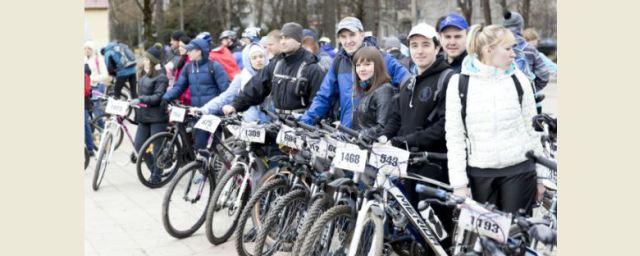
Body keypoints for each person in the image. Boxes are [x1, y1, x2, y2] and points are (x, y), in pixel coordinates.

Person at [445, 24, 545, 216]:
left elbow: (534, 131)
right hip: (480, 175)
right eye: (508, 48)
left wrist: (541, 178)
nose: (513, 54)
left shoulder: (519, 80)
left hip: (520, 171)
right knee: (485, 243)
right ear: (488, 50)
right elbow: (455, 137)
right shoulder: (459, 83)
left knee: (515, 240)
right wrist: (459, 185)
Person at [382, 23, 455, 245]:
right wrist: (383, 138)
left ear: (437, 48)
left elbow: (443, 126)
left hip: (434, 167)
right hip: (407, 164)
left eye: (425, 45)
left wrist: (405, 141)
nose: (419, 51)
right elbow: (395, 118)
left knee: (438, 233)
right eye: (414, 45)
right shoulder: (409, 81)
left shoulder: (449, 79)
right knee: (418, 229)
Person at [300, 16, 411, 128]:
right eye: (343, 37)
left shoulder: (380, 57)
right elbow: (324, 97)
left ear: (362, 35)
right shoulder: (338, 62)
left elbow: (408, 83)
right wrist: (305, 122)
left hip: (375, 137)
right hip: (347, 133)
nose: (348, 41)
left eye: (352, 35)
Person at [222, 22, 326, 116]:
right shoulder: (276, 64)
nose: (283, 42)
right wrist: (235, 105)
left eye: (288, 38)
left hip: (302, 128)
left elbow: (318, 103)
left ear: (299, 41)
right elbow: (256, 87)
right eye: (282, 38)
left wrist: (307, 120)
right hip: (278, 123)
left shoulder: (312, 68)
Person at [161, 38, 231, 151]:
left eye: (191, 50)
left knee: (216, 148)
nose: (188, 52)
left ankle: (218, 167)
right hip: (197, 113)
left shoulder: (214, 66)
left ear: (199, 51)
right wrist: (165, 97)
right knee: (200, 145)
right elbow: (179, 87)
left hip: (214, 113)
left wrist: (223, 108)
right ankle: (203, 167)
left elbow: (226, 89)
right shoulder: (188, 67)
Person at [200, 42, 271, 123]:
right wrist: (205, 109)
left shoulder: (273, 74)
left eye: (261, 56)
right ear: (248, 60)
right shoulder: (241, 78)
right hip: (250, 125)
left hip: (274, 125)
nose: (258, 60)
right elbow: (226, 97)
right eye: (254, 58)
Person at [131, 43, 170, 183]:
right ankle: (154, 169)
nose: (144, 61)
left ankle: (157, 176)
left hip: (158, 117)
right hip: (144, 117)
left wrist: (140, 99)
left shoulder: (161, 77)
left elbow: (158, 97)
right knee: (139, 145)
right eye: (144, 59)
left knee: (157, 149)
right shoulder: (142, 75)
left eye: (147, 59)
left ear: (153, 62)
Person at [350, 46, 394, 140]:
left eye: (367, 64)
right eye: (358, 65)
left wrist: (360, 135)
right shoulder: (366, 89)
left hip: (375, 149)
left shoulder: (384, 90)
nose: (362, 69)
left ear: (377, 66)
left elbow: (383, 126)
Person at [503, 11, 550, 91]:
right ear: (521, 27)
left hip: (503, 95)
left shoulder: (496, 47)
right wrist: (532, 90)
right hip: (526, 94)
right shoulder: (530, 49)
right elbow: (544, 75)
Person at [84, 40, 110, 128]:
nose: (87, 50)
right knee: (88, 110)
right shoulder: (84, 59)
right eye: (85, 48)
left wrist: (92, 79)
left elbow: (105, 75)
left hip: (97, 87)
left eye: (89, 49)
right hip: (87, 88)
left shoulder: (98, 59)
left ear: (93, 50)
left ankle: (103, 130)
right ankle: (93, 130)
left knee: (96, 110)